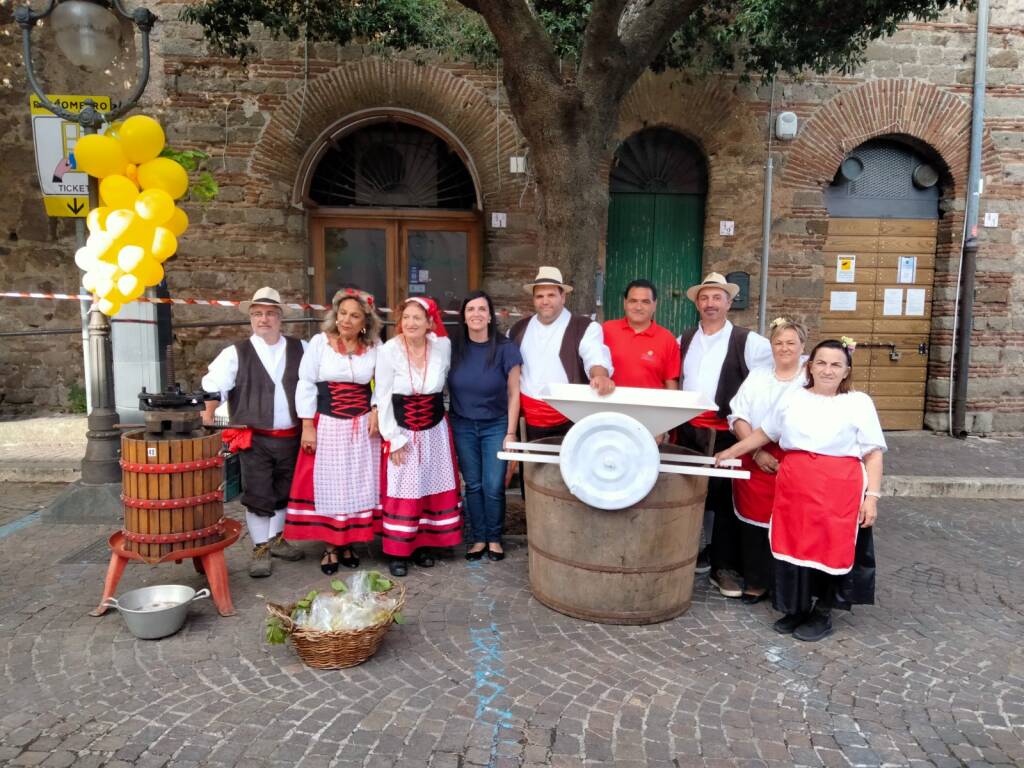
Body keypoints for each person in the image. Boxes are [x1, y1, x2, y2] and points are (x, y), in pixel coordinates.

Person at [715, 338, 885, 642]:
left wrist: (871, 498)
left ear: (846, 371)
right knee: (793, 549)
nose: (828, 370)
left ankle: (823, 612)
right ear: (810, 366)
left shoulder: (859, 403)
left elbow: (873, 453)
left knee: (830, 550)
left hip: (839, 491)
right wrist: (732, 451)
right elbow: (766, 432)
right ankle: (797, 608)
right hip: (795, 489)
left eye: (836, 365)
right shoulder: (794, 398)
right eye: (821, 363)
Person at [201, 286, 307, 578]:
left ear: (280, 317)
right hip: (254, 438)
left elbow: (315, 384)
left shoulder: (302, 348)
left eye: (270, 313)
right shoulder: (235, 353)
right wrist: (209, 415)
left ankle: (276, 539)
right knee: (259, 494)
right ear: (250, 318)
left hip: (293, 436)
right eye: (258, 313)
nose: (264, 319)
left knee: (284, 492)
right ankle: (260, 548)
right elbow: (214, 386)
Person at [677, 272, 772, 589]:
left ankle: (724, 566)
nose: (710, 303)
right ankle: (696, 553)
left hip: (727, 433)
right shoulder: (685, 339)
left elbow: (773, 378)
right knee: (692, 495)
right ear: (696, 304)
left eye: (717, 297)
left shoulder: (750, 342)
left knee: (725, 502)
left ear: (729, 303)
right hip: (690, 432)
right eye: (704, 298)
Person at [283, 288, 382, 574]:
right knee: (331, 485)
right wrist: (307, 425)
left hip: (362, 427)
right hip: (327, 423)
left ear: (365, 320)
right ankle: (330, 546)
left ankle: (349, 542)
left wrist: (375, 409)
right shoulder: (319, 343)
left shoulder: (375, 347)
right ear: (334, 316)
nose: (346, 320)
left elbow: (383, 383)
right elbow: (305, 382)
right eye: (342, 314)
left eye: (354, 315)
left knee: (356, 483)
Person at [375, 296, 462, 577]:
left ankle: (425, 543)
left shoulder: (442, 348)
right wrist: (392, 437)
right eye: (406, 317)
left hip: (435, 430)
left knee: (430, 485)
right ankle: (398, 550)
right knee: (403, 488)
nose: (410, 323)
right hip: (402, 429)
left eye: (417, 318)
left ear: (429, 323)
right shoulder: (389, 350)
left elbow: (445, 384)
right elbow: (383, 395)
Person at [726, 317, 808, 604]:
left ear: (802, 346)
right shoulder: (759, 375)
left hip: (792, 457)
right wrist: (755, 452)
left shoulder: (809, 378)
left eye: (790, 343)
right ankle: (756, 580)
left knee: (790, 523)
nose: (784, 348)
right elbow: (738, 414)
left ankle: (784, 586)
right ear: (770, 346)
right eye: (778, 342)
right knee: (753, 525)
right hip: (753, 453)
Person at [448, 291, 523, 562]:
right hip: (462, 424)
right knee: (474, 484)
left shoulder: (505, 348)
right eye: (471, 309)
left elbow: (515, 392)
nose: (476, 314)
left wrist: (511, 432)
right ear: (464, 316)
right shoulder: (453, 347)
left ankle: (494, 538)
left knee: (493, 485)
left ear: (490, 315)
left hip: (496, 425)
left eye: (482, 309)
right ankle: (477, 538)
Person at [511, 266, 615, 442]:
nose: (545, 301)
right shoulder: (517, 329)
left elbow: (595, 356)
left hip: (570, 418)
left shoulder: (584, 327)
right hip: (527, 419)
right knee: (531, 469)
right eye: (539, 296)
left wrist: (600, 376)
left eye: (551, 295)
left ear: (563, 297)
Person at [602, 279, 680, 391]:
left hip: (650, 407)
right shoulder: (606, 329)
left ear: (654, 305)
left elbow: (671, 383)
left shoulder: (667, 339)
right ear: (625, 303)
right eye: (633, 301)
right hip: (609, 405)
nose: (638, 307)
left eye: (645, 302)